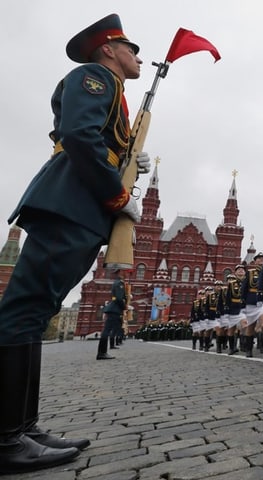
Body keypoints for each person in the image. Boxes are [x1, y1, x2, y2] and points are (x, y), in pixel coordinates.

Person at [0, 14, 150, 474]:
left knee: (36, 312)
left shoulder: (112, 88)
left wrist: (127, 160)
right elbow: (79, 137)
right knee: (24, 311)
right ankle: (5, 439)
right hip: (72, 204)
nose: (138, 56)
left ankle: (21, 426)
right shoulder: (94, 76)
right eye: (132, 48)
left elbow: (95, 140)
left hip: (78, 208)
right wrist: (118, 193)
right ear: (109, 48)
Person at [96, 270, 127, 359]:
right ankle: (102, 353)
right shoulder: (119, 283)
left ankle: (102, 352)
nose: (127, 274)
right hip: (115, 310)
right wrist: (124, 307)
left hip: (113, 309)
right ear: (120, 272)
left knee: (108, 330)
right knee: (107, 331)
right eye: (125, 272)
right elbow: (119, 298)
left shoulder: (117, 282)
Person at [242, 253, 263, 357]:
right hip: (252, 301)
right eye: (259, 259)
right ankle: (249, 349)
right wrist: (242, 303)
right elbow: (244, 288)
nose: (261, 260)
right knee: (250, 327)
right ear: (255, 261)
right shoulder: (250, 273)